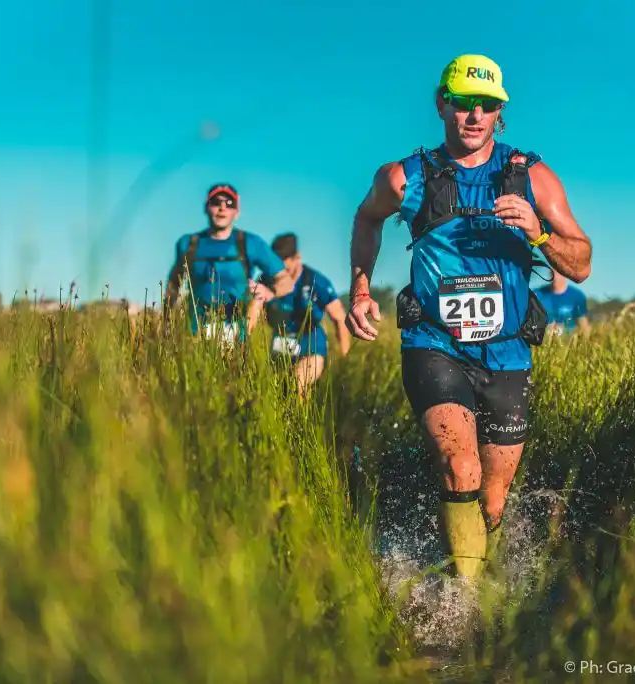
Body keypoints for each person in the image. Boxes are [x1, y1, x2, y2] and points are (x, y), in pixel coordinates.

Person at [346, 54, 592, 580]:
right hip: (434, 344)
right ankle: (467, 600)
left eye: (487, 105)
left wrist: (538, 234)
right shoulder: (404, 177)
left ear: (499, 112)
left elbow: (582, 263)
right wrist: (360, 288)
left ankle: (484, 577)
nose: (474, 115)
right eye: (462, 103)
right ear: (442, 105)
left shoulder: (532, 177)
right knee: (461, 467)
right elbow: (367, 219)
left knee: (494, 497)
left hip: (508, 351)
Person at [165, 184, 293, 345]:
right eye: (216, 202)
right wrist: (166, 324)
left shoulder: (250, 243)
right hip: (194, 334)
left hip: (237, 335)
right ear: (206, 207)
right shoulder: (188, 244)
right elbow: (173, 286)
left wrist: (270, 292)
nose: (222, 208)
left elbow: (286, 281)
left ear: (237, 212)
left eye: (229, 203)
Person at [249, 233, 351, 394]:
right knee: (278, 394)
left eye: (283, 263)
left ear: (297, 257)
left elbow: (339, 318)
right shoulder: (267, 279)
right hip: (280, 348)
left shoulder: (317, 282)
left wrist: (344, 358)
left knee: (299, 382)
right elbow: (254, 312)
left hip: (312, 349)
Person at [535, 267, 590, 336]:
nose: (555, 277)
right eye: (552, 273)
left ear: (565, 275)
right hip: (543, 338)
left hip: (568, 339)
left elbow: (583, 325)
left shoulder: (577, 296)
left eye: (558, 274)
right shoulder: (538, 294)